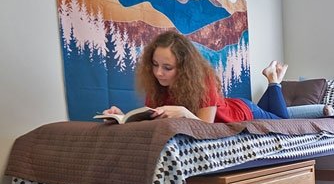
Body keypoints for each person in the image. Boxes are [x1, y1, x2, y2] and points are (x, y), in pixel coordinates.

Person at [103, 30, 300, 122]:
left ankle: (273, 80)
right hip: (226, 104)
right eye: (154, 65)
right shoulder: (157, 85)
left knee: (282, 120)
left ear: (184, 68)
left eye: (167, 67)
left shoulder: (203, 79)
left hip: (241, 111)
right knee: (272, 111)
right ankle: (273, 80)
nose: (158, 73)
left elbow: (207, 127)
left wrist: (185, 113)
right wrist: (123, 118)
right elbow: (153, 121)